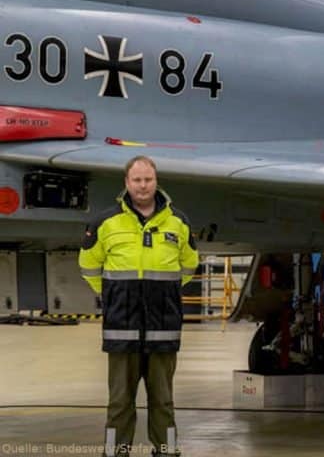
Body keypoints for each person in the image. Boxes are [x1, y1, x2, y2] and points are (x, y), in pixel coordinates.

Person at [79, 156, 199, 457]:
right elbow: (89, 267)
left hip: (163, 330)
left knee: (163, 402)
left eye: (148, 179)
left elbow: (189, 267)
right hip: (122, 329)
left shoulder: (179, 223)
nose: (143, 185)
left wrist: (163, 296)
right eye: (137, 180)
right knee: (119, 403)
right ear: (126, 183)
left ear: (156, 182)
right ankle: (115, 453)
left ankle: (167, 452)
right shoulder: (105, 223)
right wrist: (113, 295)